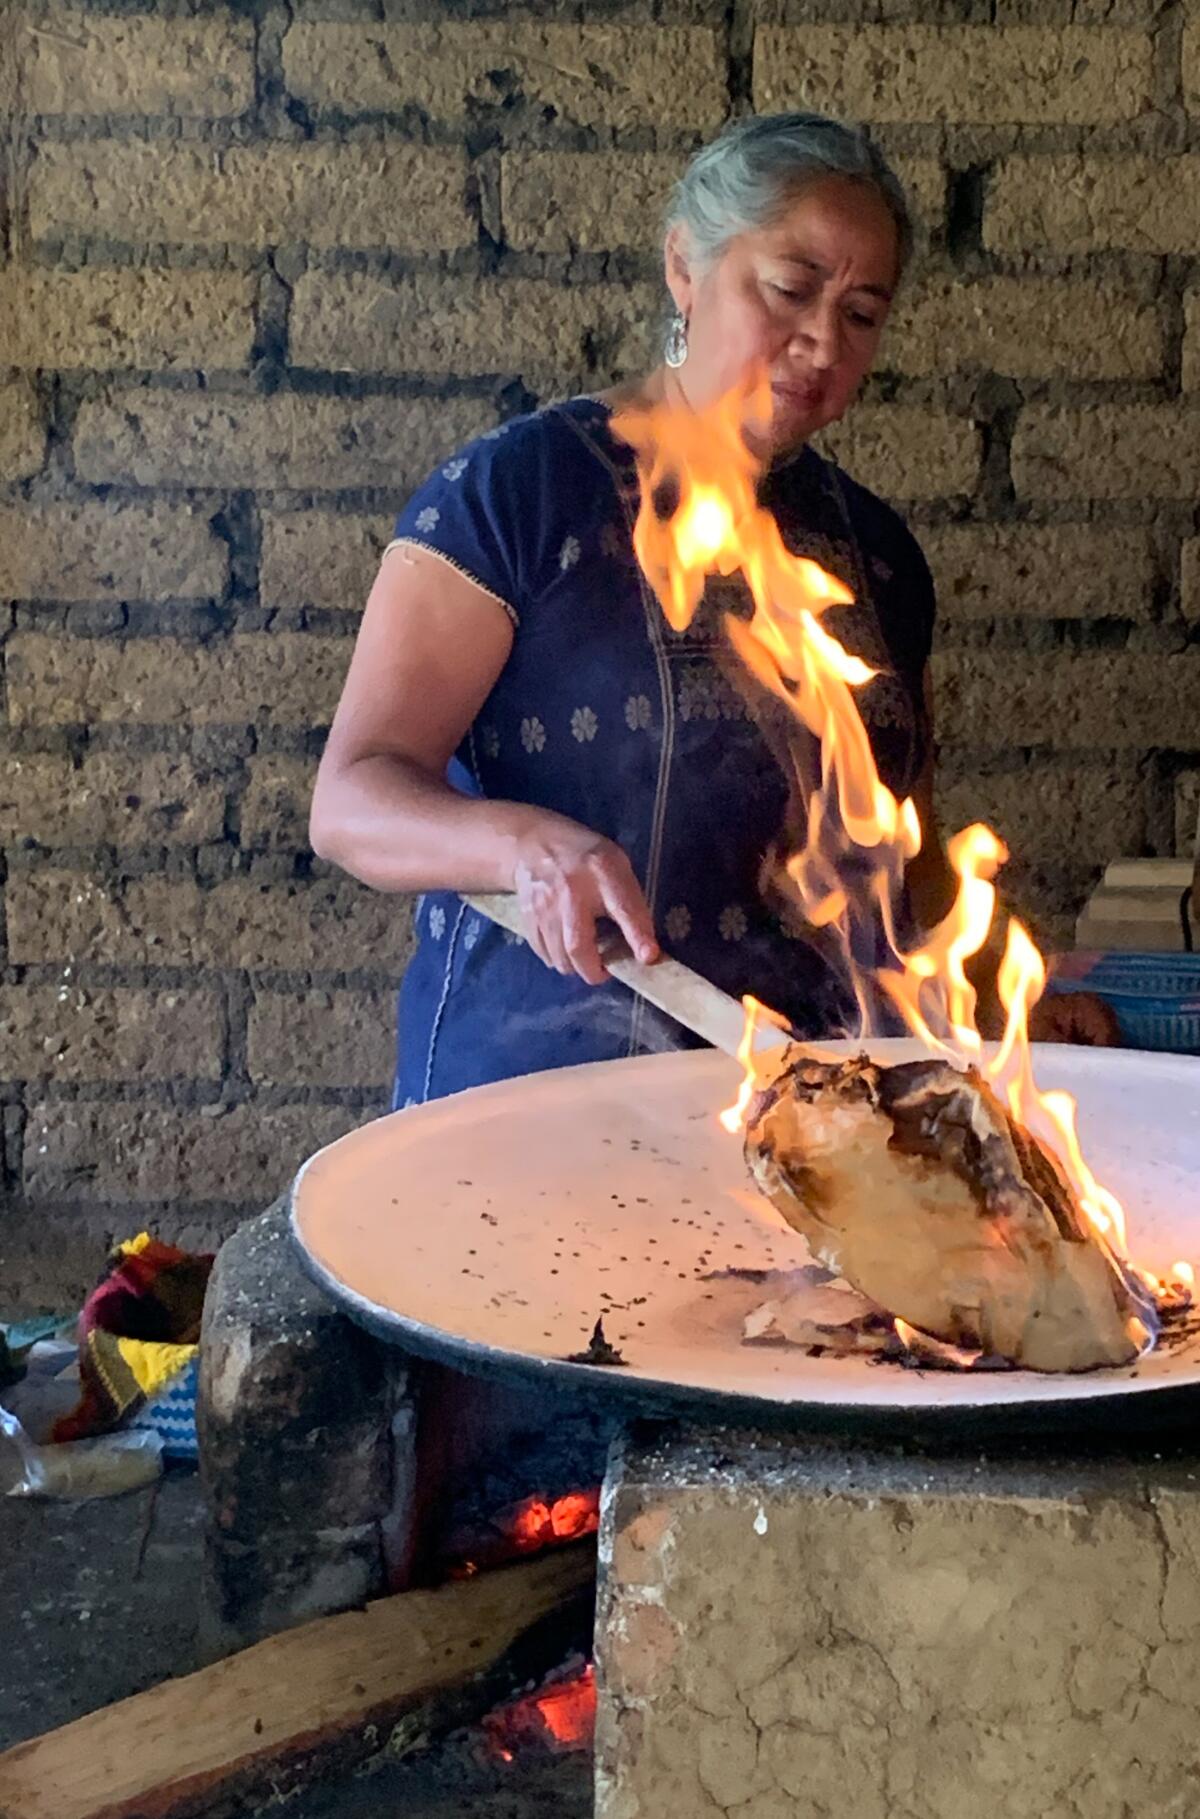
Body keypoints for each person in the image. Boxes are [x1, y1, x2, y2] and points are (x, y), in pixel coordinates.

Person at [310, 111, 1114, 1109]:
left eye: (864, 313)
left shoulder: (876, 555)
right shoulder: (522, 493)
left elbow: (893, 863)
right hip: (536, 1112)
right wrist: (526, 845)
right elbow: (349, 801)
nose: (823, 339)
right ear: (685, 267)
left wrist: (999, 986)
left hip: (808, 1119)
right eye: (790, 287)